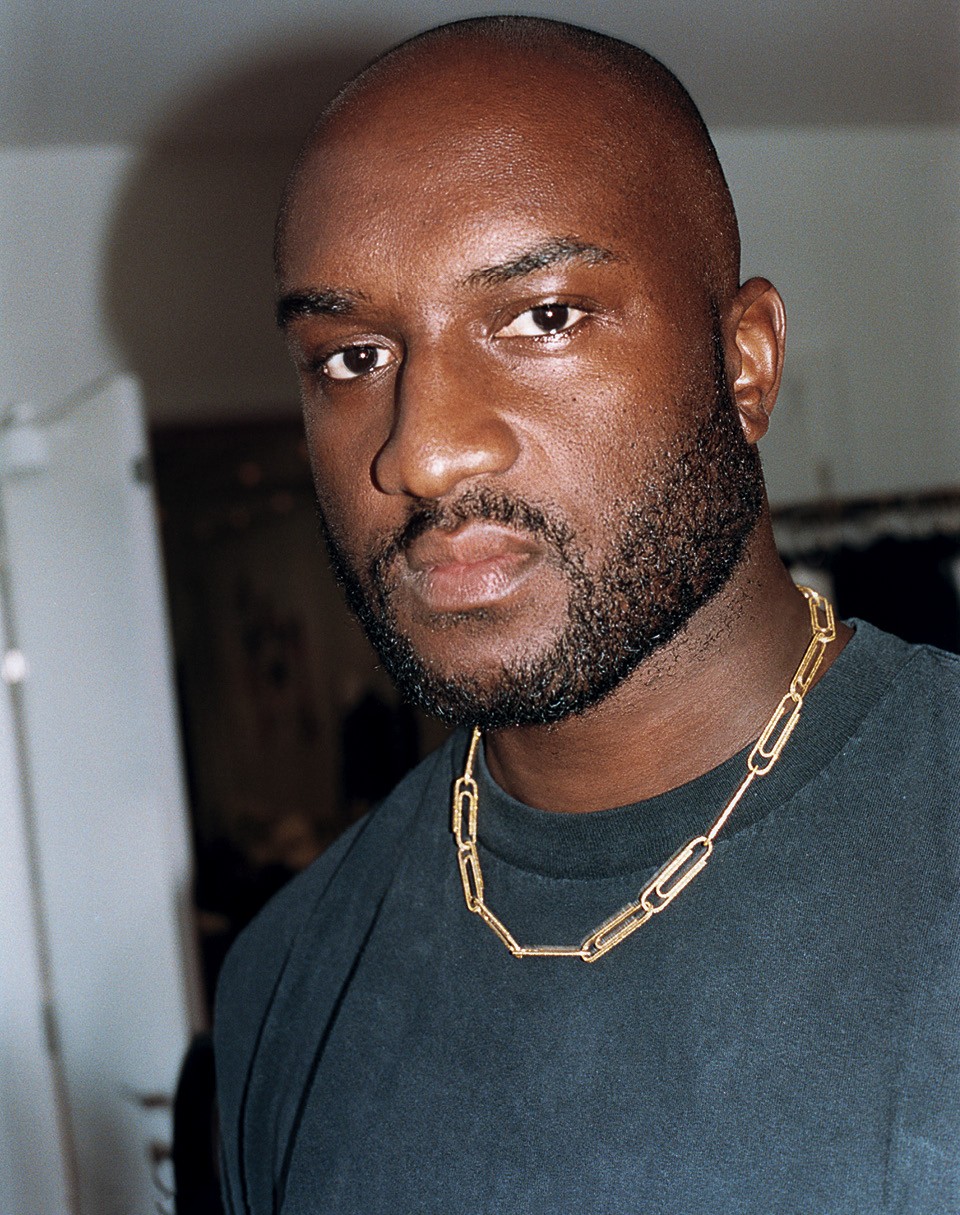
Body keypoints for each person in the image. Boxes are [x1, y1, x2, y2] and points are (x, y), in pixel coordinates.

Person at [214, 17, 960, 1213]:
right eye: (353, 358)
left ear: (745, 364)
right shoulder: (287, 981)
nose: (423, 452)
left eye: (544, 317)